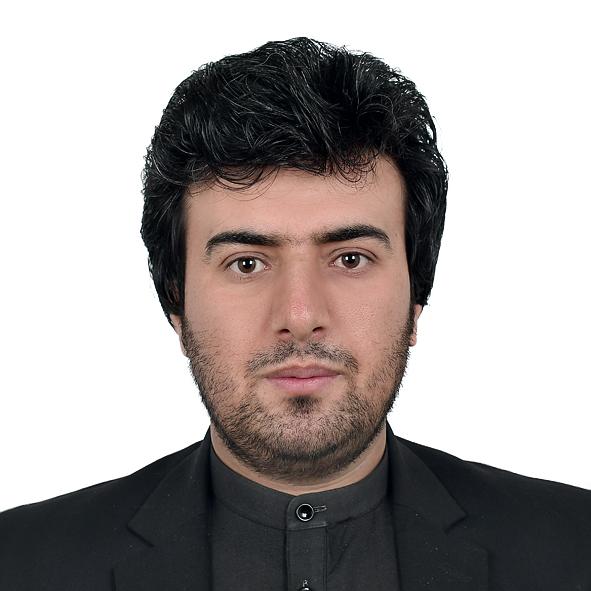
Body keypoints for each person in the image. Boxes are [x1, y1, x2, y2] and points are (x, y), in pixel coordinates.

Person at [0, 36, 589, 591]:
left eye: (351, 258)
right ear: (176, 303)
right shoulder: (19, 563)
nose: (301, 314)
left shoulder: (576, 549)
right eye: (247, 264)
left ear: (417, 296)